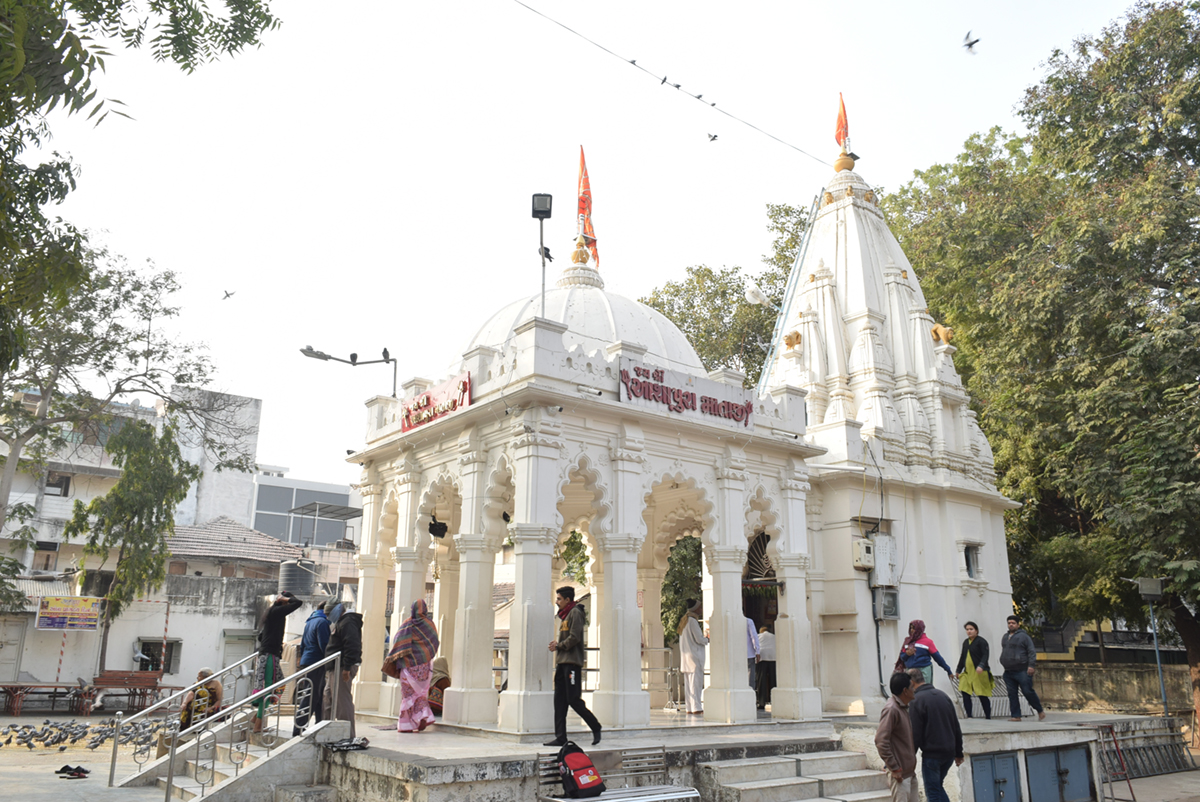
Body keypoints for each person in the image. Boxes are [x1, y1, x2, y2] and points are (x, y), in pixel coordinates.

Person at [544, 586, 602, 746]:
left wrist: (559, 645)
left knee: (573, 700)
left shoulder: (575, 612)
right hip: (562, 663)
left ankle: (595, 727)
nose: (557, 602)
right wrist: (558, 645)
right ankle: (560, 737)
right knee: (559, 701)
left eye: (559, 599)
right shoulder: (565, 615)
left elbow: (575, 637)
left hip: (572, 664)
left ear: (568, 600)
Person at [907, 668, 963, 802]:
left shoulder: (916, 700)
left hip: (932, 755)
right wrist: (959, 752)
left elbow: (916, 734)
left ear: (912, 682)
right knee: (937, 788)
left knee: (933, 793)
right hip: (948, 753)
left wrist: (909, 758)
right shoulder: (943, 696)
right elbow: (956, 726)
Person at [385, 599, 440, 733]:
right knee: (420, 695)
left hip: (408, 666)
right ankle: (421, 717)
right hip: (423, 668)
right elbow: (434, 643)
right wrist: (423, 654)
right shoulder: (429, 624)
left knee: (408, 695)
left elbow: (397, 641)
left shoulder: (407, 624)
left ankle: (406, 725)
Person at [252, 591, 302, 735]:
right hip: (269, 656)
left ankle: (256, 719)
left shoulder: (272, 613)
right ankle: (258, 726)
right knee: (268, 689)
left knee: (277, 685)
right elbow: (298, 603)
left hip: (267, 655)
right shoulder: (277, 611)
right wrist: (286, 598)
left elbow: (262, 636)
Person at [874, 672, 918, 802]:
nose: (914, 689)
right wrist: (894, 767)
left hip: (909, 773)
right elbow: (880, 740)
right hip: (900, 775)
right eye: (912, 687)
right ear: (905, 691)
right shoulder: (891, 709)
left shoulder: (902, 707)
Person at [323, 602, 363, 737]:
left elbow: (352, 645)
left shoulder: (348, 622)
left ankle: (347, 735)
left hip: (342, 667)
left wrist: (346, 668)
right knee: (328, 699)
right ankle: (327, 731)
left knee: (342, 701)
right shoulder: (342, 622)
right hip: (335, 667)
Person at [293, 602, 331, 735]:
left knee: (319, 695)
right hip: (316, 662)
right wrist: (330, 662)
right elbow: (325, 645)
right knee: (311, 696)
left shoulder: (311, 621)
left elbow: (303, 644)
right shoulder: (322, 622)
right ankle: (298, 729)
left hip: (308, 661)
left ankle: (320, 724)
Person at [999, 614, 1045, 722]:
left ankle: (1039, 710)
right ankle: (1016, 715)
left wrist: (1031, 665)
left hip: (1022, 670)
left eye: (1013, 623)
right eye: (1009, 623)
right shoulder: (1005, 637)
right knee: (1012, 694)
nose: (1011, 625)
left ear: (1018, 625)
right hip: (1009, 671)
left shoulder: (1024, 637)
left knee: (1027, 691)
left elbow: (1031, 651)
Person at [894, 620, 954, 687]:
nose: (912, 630)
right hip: (910, 672)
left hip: (923, 671)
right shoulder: (908, 641)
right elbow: (902, 657)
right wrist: (907, 654)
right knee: (911, 693)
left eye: (914, 628)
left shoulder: (927, 642)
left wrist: (948, 670)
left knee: (923, 690)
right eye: (910, 628)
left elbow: (938, 658)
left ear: (919, 629)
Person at [954, 621, 993, 720]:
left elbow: (985, 655)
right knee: (965, 692)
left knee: (982, 694)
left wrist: (981, 665)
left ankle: (988, 716)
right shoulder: (966, 642)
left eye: (971, 629)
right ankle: (969, 715)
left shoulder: (981, 641)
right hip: (968, 673)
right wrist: (958, 669)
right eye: (967, 630)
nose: (969, 631)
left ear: (976, 630)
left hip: (979, 673)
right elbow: (963, 657)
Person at [677, 599, 708, 715]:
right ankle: (696, 707)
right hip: (694, 657)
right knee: (696, 683)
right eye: (699, 607)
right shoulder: (692, 621)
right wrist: (707, 639)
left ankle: (690, 707)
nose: (701, 609)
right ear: (695, 609)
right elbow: (699, 639)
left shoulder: (684, 621)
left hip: (686, 658)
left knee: (689, 685)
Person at [755, 625, 776, 710]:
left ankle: (761, 702)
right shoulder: (774, 636)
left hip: (762, 657)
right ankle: (775, 701)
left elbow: (755, 645)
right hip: (773, 657)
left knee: (761, 680)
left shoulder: (759, 636)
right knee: (773, 679)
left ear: (761, 631)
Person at [744, 613, 761, 689]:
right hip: (749, 653)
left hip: (736, 654)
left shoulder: (732, 622)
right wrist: (757, 651)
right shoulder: (748, 621)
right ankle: (751, 693)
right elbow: (754, 636)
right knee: (750, 677)